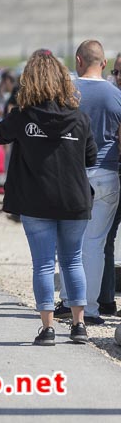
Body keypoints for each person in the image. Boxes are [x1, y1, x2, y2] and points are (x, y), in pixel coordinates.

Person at [0, 48, 96, 346]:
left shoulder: (23, 117)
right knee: (73, 261)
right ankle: (79, 326)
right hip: (75, 200)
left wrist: (16, 110)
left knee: (42, 264)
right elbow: (89, 158)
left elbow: (0, 134)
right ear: (64, 81)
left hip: (36, 200)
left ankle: (48, 329)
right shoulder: (79, 118)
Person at [55, 40, 121, 325]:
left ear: (78, 60)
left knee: (70, 244)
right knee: (95, 244)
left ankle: (69, 302)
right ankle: (90, 309)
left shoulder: (66, 92)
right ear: (104, 64)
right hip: (106, 172)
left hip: (71, 174)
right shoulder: (115, 94)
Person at [99, 55, 121, 316]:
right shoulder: (111, 97)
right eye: (116, 71)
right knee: (105, 238)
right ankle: (106, 300)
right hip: (111, 175)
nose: (118, 76)